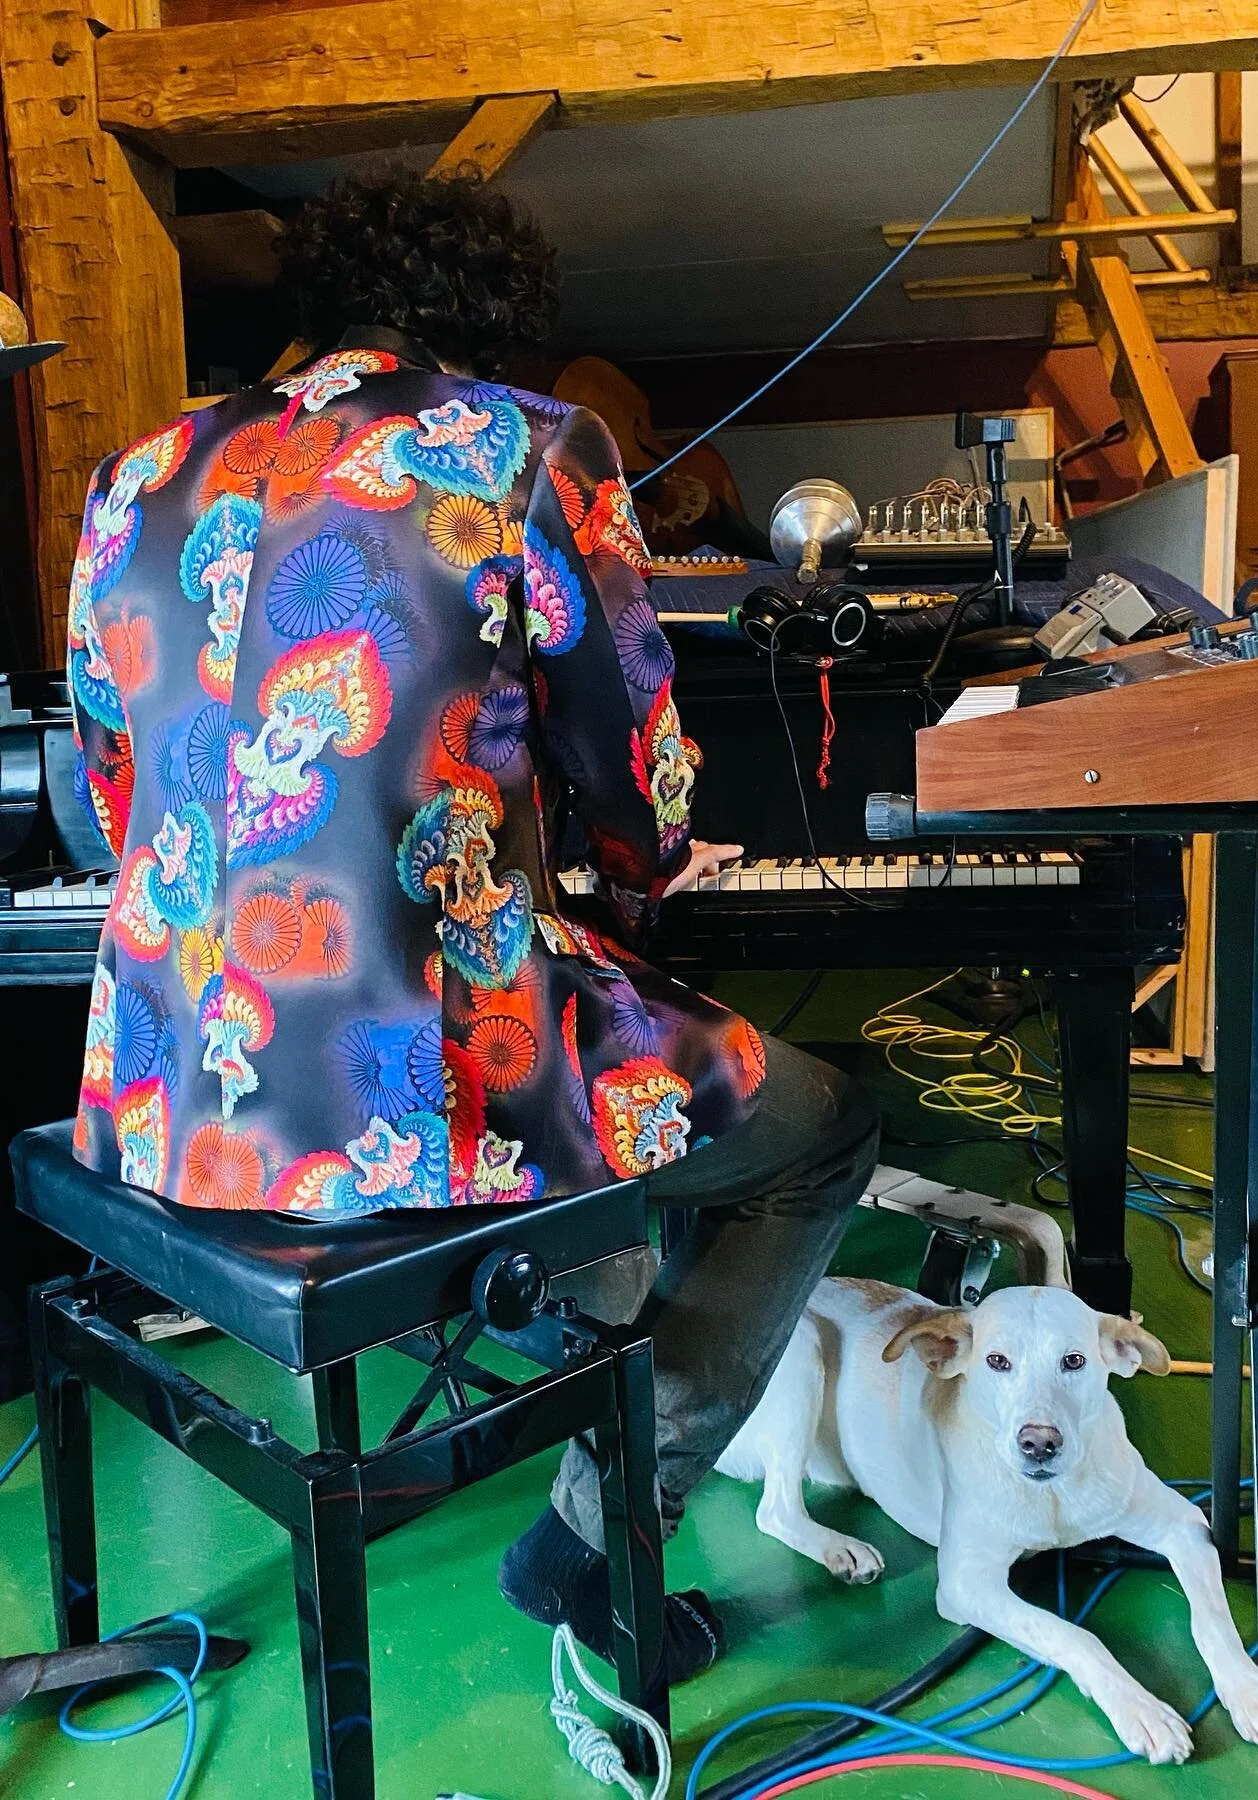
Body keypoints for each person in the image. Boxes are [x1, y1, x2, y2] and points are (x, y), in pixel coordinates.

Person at [64, 167, 880, 1681]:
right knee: (820, 1130)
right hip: (410, 1083)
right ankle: (597, 1531)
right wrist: (645, 871)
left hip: (165, 1087)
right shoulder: (528, 447)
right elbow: (630, 759)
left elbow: (111, 786)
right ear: (482, 330)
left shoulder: (133, 475)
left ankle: (579, 1337)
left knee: (605, 1137)